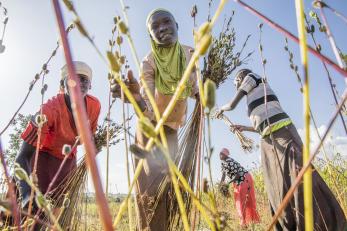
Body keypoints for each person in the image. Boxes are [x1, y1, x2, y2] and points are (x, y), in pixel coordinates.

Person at [217, 69, 346, 230]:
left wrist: (221, 109)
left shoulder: (252, 78)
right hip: (268, 139)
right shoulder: (253, 96)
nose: (235, 85)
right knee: (277, 185)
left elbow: (231, 105)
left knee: (297, 176)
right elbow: (263, 123)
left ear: (241, 77)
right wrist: (244, 128)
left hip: (283, 133)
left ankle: (326, 222)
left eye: (235, 81)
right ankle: (290, 224)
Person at [112, 8, 198, 230]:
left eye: (166, 22)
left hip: (171, 131)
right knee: (151, 190)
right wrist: (135, 98)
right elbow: (147, 102)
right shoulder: (149, 62)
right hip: (149, 129)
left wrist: (203, 95)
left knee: (171, 189)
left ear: (177, 25)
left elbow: (194, 88)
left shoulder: (190, 54)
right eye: (155, 27)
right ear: (151, 35)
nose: (162, 28)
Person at [15, 61, 101, 210]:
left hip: (67, 164)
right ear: (63, 84)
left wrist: (94, 146)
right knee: (34, 215)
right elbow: (22, 156)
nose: (79, 83)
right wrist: (27, 194)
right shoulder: (48, 111)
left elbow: (89, 136)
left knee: (59, 214)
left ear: (90, 85)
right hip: (41, 161)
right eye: (73, 78)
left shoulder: (94, 106)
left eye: (84, 80)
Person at [219, 148, 260, 227]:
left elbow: (237, 175)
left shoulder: (229, 162)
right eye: (219, 153)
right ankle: (244, 222)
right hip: (237, 181)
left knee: (244, 201)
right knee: (240, 201)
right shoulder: (223, 163)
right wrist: (221, 185)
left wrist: (227, 183)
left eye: (222, 154)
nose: (220, 155)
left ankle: (246, 223)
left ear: (226, 155)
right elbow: (223, 175)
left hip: (244, 179)